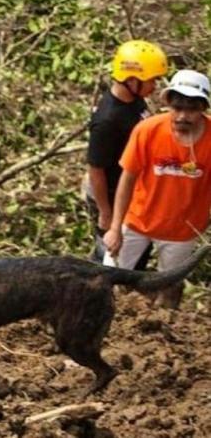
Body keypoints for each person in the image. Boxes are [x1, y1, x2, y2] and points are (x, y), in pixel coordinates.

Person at [103, 69, 211, 308]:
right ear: (168, 104)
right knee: (106, 278)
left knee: (170, 286)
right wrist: (114, 228)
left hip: (182, 229)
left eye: (191, 109)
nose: (183, 116)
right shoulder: (148, 130)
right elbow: (127, 179)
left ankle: (163, 334)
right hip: (137, 220)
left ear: (203, 108)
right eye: (177, 108)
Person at [85, 40, 168, 265]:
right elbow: (96, 170)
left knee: (137, 253)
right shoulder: (108, 120)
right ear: (132, 79)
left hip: (133, 190)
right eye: (152, 80)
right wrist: (106, 213)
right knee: (112, 255)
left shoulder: (135, 99)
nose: (155, 86)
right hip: (111, 193)